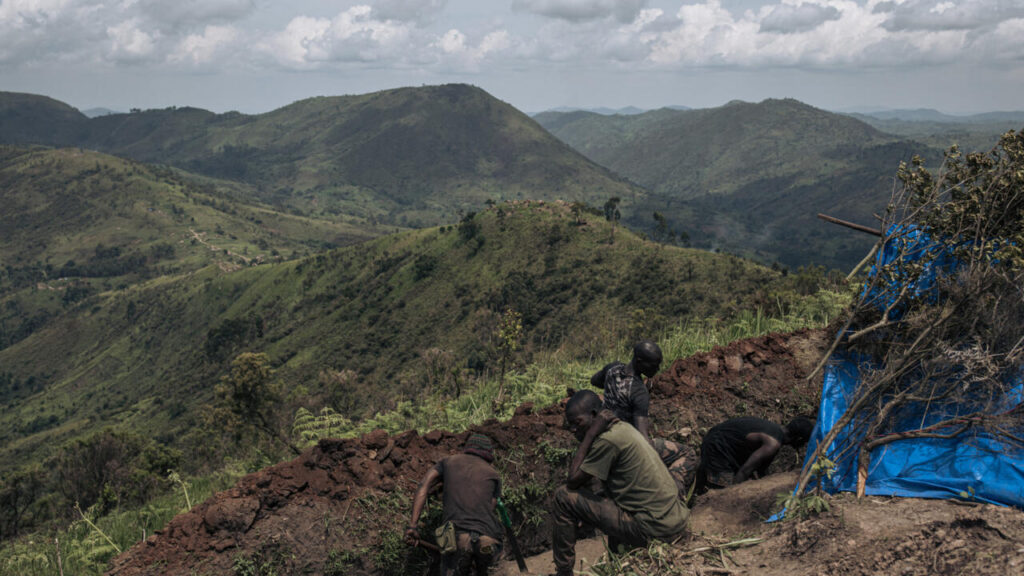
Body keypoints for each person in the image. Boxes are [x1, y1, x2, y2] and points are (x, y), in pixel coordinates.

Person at [552, 390, 689, 576]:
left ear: (594, 416)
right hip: (675, 521)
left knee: (562, 496)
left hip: (654, 529)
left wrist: (590, 434)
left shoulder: (606, 441)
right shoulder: (623, 427)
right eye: (570, 426)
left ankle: (564, 572)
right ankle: (618, 563)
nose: (573, 430)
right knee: (610, 500)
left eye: (577, 423)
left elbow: (572, 481)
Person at [592, 340, 696, 500]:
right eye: (654, 365)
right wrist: (662, 472)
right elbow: (643, 438)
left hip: (605, 438)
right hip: (628, 446)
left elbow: (595, 381)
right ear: (640, 361)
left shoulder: (612, 369)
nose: (657, 369)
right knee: (688, 453)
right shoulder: (639, 392)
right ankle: (673, 494)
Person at [406, 433, 503, 576]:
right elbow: (490, 507)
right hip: (488, 541)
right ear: (488, 454)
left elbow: (423, 486)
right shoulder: (494, 474)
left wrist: (413, 526)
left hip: (458, 539)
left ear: (468, 448)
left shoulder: (448, 462)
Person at [695, 416, 815, 492]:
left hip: (721, 441)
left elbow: (760, 471)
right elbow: (745, 471)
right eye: (803, 442)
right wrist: (731, 493)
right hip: (718, 446)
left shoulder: (773, 430)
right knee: (721, 490)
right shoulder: (772, 443)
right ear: (798, 438)